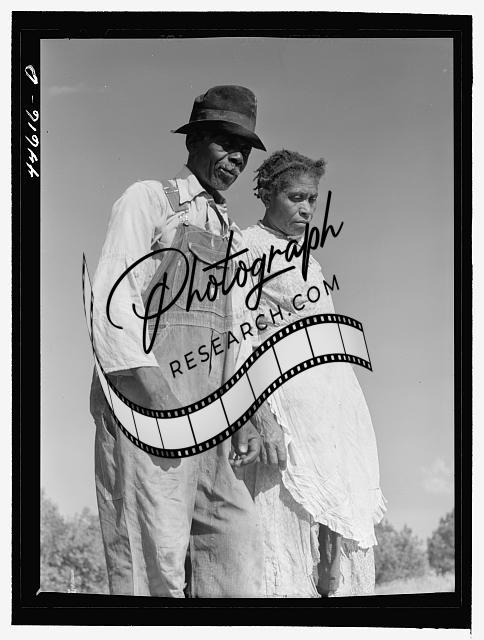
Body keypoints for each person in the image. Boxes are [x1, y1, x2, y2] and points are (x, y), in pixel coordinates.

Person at [89, 85, 267, 597]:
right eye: (225, 143)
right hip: (150, 411)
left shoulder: (230, 232)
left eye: (244, 150)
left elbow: (234, 332)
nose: (235, 159)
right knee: (156, 570)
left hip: (214, 422)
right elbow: (112, 305)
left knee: (234, 561)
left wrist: (244, 416)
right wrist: (162, 404)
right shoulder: (150, 200)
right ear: (193, 141)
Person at [243, 150, 387, 597]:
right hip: (288, 409)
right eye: (296, 197)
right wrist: (261, 414)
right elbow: (242, 336)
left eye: (312, 200)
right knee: (289, 531)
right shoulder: (246, 246)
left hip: (334, 409)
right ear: (268, 194)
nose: (307, 209)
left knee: (338, 544)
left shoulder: (308, 258)